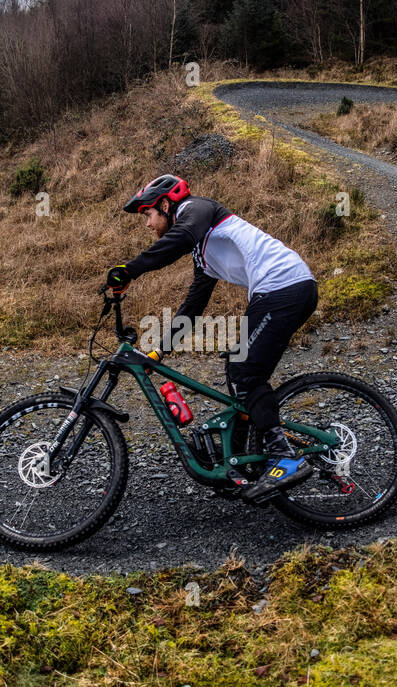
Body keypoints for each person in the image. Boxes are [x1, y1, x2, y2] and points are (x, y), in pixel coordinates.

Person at [106, 174, 318, 502]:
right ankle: (240, 468)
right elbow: (193, 307)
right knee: (239, 368)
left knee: (245, 370)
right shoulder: (203, 251)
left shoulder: (196, 209)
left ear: (165, 204)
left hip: (284, 287)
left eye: (147, 215)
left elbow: (179, 237)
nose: (147, 224)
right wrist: (158, 353)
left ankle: (285, 456)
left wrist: (129, 270)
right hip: (283, 290)